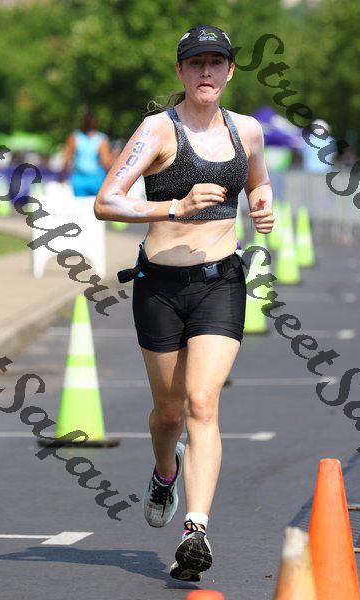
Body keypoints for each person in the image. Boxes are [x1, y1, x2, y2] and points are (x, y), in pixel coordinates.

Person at [94, 24, 274, 582]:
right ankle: (164, 471)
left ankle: (196, 530)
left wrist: (263, 205)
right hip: (159, 287)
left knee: (201, 402)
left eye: (216, 62)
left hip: (222, 282)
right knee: (169, 412)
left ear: (230, 71)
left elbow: (258, 183)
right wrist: (175, 207)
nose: (206, 72)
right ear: (181, 71)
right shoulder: (158, 130)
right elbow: (107, 202)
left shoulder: (248, 131)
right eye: (195, 62)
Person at [60, 110, 118, 196]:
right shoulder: (101, 139)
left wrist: (61, 176)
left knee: (81, 204)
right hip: (96, 179)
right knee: (97, 204)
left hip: (79, 179)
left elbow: (67, 159)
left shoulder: (74, 137)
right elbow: (106, 163)